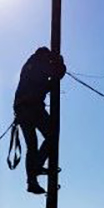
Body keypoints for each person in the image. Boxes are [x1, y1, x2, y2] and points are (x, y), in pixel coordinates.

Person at [14, 47, 66, 194]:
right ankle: (36, 166)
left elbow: (44, 84)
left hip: (22, 108)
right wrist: (60, 63)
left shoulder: (30, 65)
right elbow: (56, 74)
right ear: (43, 55)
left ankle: (32, 180)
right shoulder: (37, 63)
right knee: (52, 135)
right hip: (32, 107)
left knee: (32, 146)